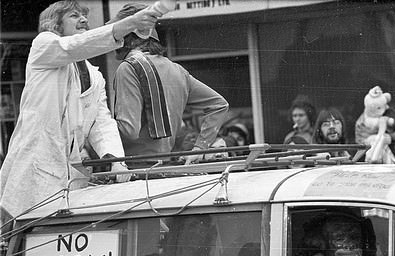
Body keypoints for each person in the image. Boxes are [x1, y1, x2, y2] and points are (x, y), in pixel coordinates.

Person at [0, 0, 157, 231]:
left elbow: (101, 121)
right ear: (55, 24)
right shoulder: (44, 45)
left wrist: (116, 161)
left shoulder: (94, 75)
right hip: (34, 167)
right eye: (74, 16)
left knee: (53, 238)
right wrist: (130, 23)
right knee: (15, 238)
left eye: (84, 15)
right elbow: (75, 45)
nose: (83, 19)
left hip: (69, 177)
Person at [110, 3, 229, 167]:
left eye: (117, 32)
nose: (113, 40)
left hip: (132, 169)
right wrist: (200, 148)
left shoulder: (127, 68)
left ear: (129, 34)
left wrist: (95, 130)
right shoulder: (177, 70)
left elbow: (129, 130)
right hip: (164, 165)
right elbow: (219, 105)